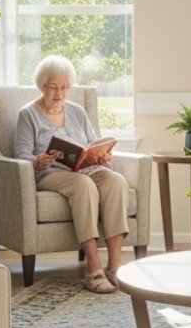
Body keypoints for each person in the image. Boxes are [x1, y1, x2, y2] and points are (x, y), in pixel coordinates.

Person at [13, 55, 129, 294]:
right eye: (53, 87)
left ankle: (115, 267)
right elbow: (20, 155)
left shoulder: (76, 111)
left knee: (115, 181)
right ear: (42, 86)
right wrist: (38, 160)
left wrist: (100, 156)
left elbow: (90, 144)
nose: (59, 93)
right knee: (83, 185)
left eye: (65, 88)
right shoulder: (28, 114)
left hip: (83, 169)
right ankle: (93, 269)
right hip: (49, 174)